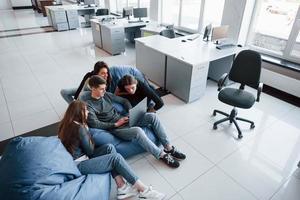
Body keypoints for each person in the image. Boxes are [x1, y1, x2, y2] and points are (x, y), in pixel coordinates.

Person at [58, 100, 165, 200]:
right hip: (79, 164)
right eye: (85, 110)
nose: (87, 112)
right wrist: (87, 132)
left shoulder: (68, 124)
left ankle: (122, 188)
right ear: (78, 112)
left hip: (79, 157)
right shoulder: (80, 128)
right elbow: (90, 151)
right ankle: (143, 190)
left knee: (109, 147)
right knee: (115, 158)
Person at [85, 75, 186, 168]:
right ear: (93, 88)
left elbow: (124, 101)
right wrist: (116, 124)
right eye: (102, 89)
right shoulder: (89, 105)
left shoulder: (106, 95)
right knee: (137, 131)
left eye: (104, 88)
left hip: (124, 119)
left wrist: (130, 113)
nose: (104, 91)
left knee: (152, 116)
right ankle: (161, 155)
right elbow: (95, 124)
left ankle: (168, 148)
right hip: (116, 128)